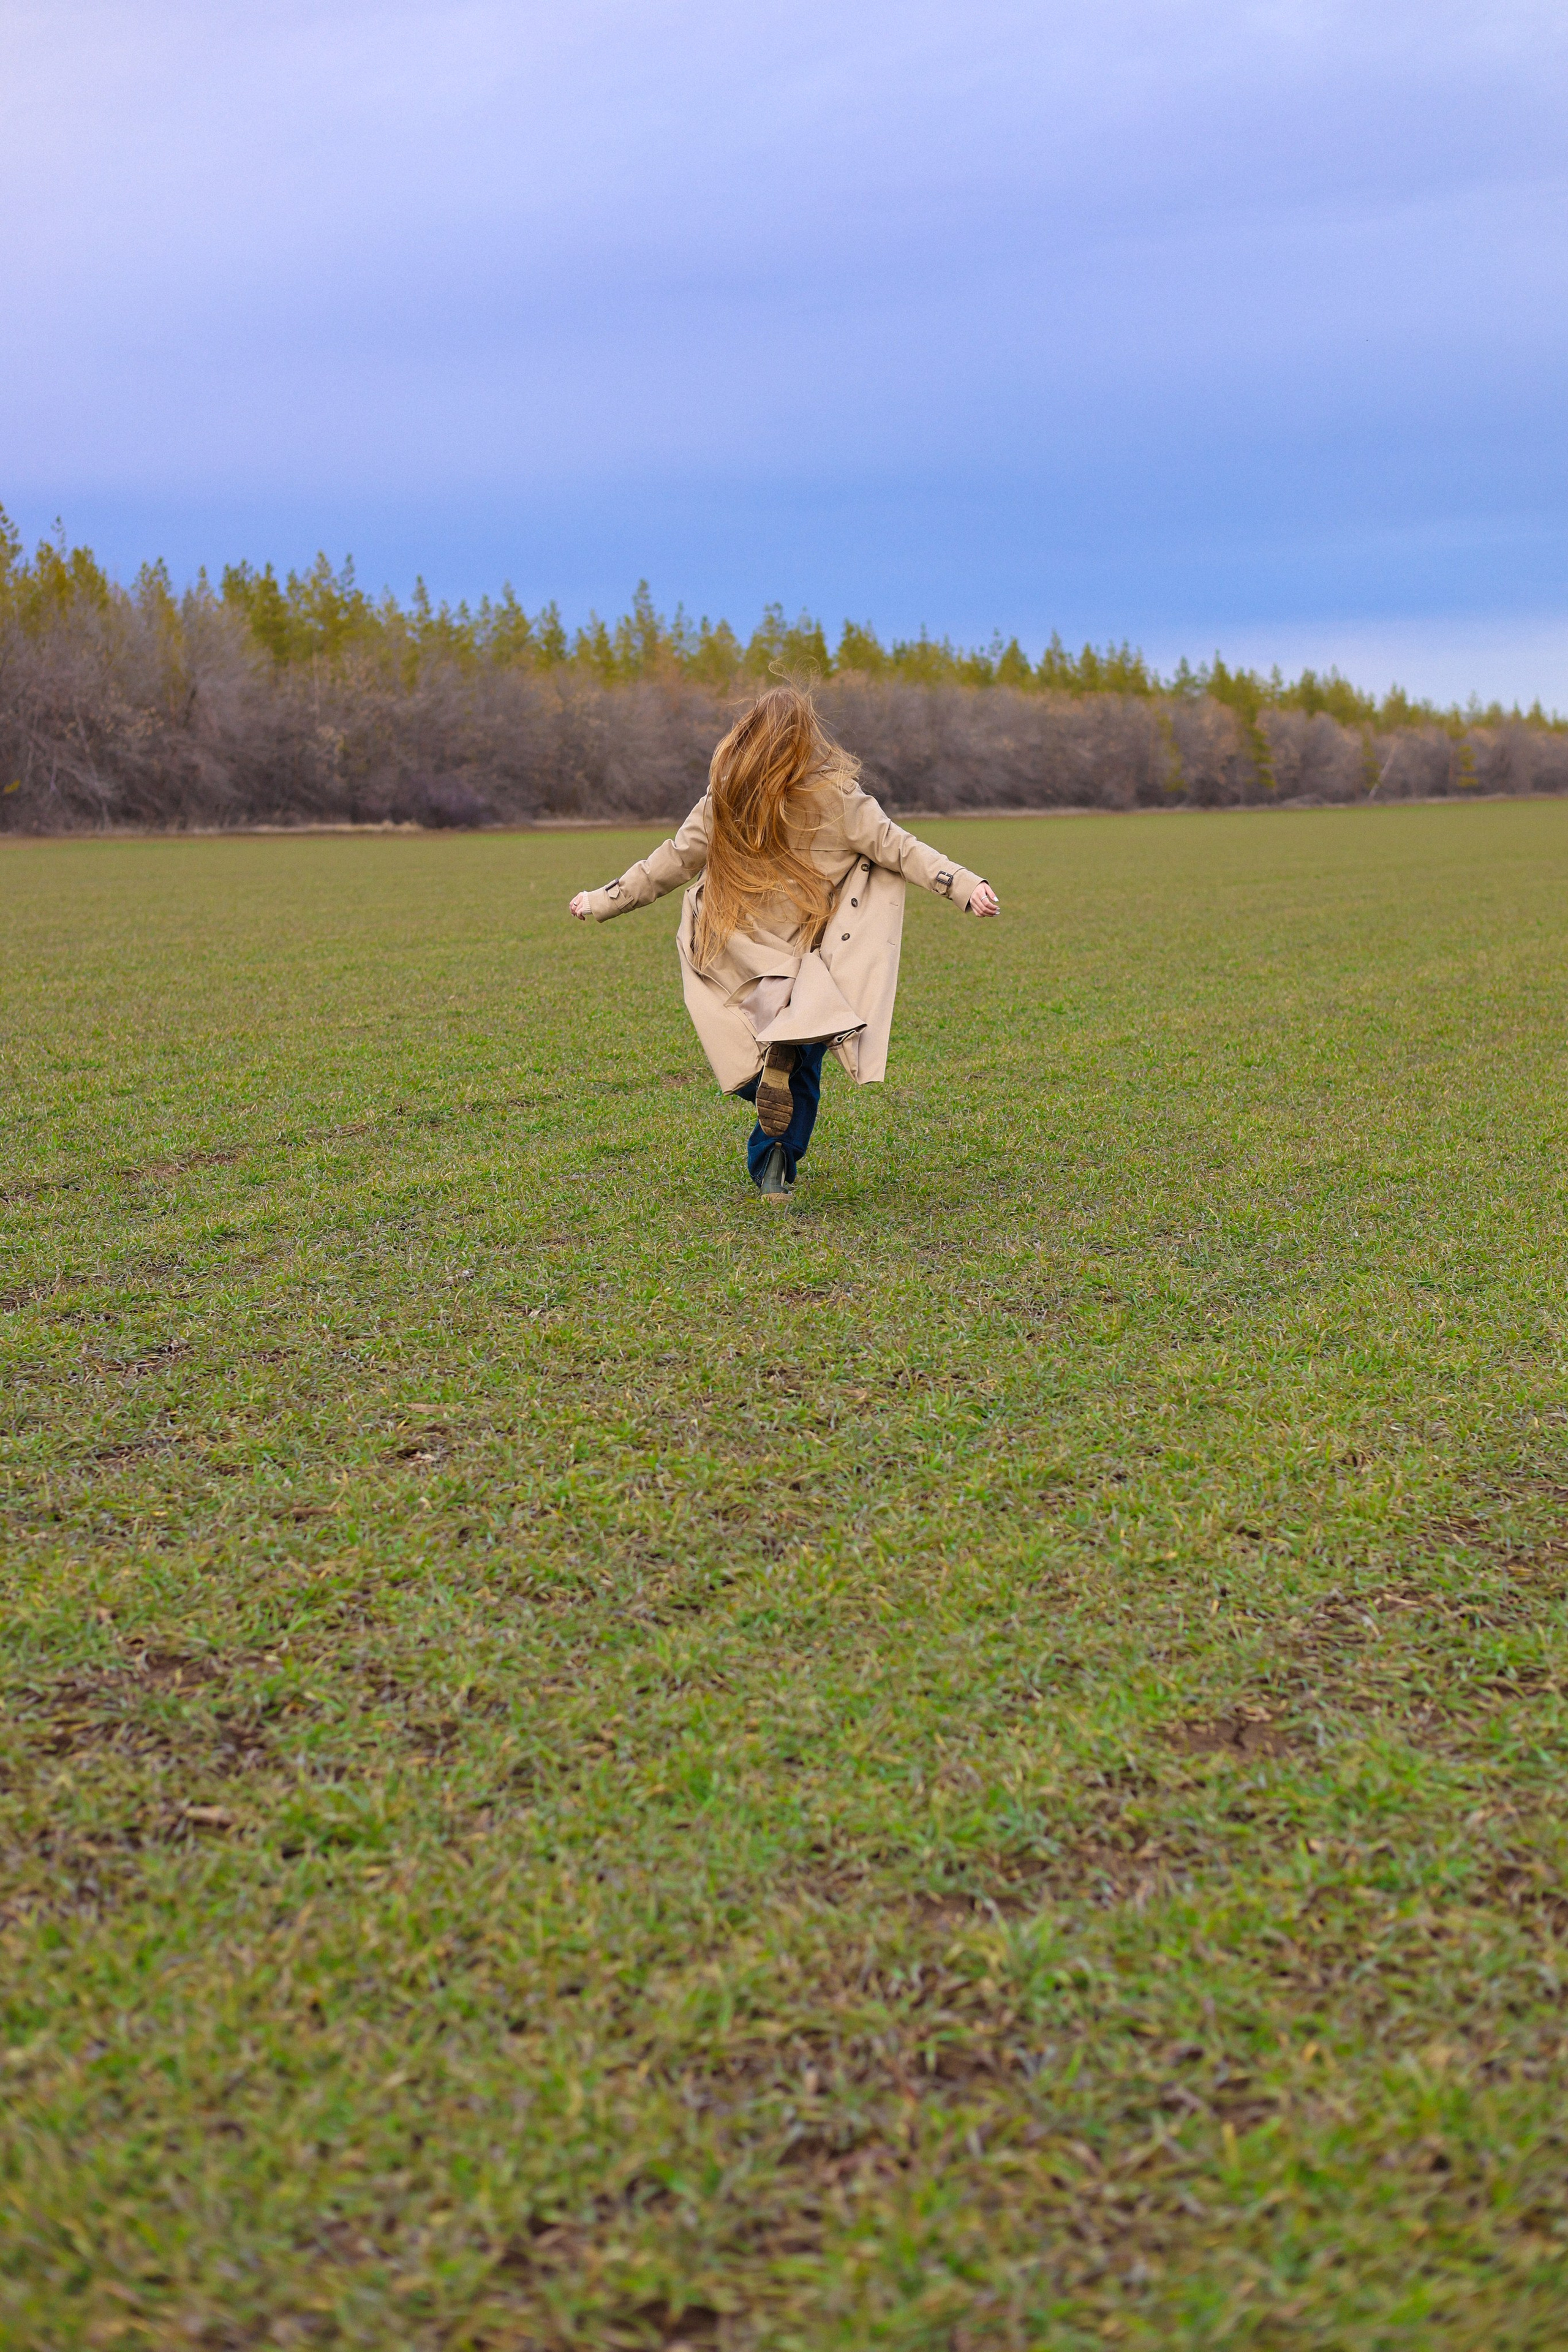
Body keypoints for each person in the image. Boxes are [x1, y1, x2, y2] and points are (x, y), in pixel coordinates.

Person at [568, 682, 1000, 1200]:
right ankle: (775, 1166)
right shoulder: (837, 798)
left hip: (736, 950)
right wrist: (964, 884)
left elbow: (673, 862)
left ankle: (766, 1118)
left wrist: (602, 899)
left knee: (761, 1051)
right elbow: (900, 848)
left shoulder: (725, 797)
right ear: (806, 738)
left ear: (748, 733)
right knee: (801, 1057)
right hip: (805, 960)